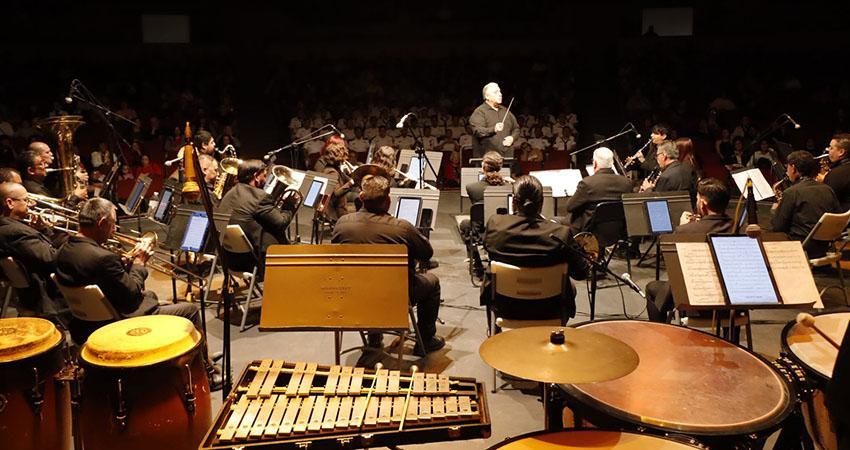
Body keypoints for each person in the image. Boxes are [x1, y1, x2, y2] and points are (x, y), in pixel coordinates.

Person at [55, 198, 202, 342]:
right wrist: (139, 263)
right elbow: (132, 293)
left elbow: (100, 275)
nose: (114, 230)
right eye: (112, 224)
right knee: (190, 310)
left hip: (85, 321)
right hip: (118, 319)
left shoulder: (63, 249)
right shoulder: (104, 258)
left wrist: (123, 264)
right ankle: (201, 364)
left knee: (154, 297)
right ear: (101, 223)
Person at [331, 174, 444, 355]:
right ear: (388, 201)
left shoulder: (342, 224)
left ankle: (374, 338)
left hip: (352, 296)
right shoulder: (402, 228)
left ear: (361, 198)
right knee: (432, 282)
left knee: (369, 281)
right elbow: (427, 254)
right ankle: (426, 340)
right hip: (394, 297)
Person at [483, 176, 590, 320]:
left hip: (506, 308)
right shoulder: (560, 233)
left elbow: (488, 249)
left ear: (514, 202)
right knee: (571, 287)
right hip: (549, 309)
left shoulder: (495, 224)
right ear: (542, 202)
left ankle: (494, 333)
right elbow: (581, 273)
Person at [644, 178, 733, 322]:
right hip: (731, 300)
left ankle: (659, 334)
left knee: (652, 288)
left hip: (694, 297)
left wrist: (682, 228)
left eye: (698, 199)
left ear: (703, 204)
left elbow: (671, 264)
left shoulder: (685, 231)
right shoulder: (737, 228)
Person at [218, 159, 294, 277]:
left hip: (230, 258)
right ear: (256, 176)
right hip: (255, 262)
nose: (265, 179)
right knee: (280, 235)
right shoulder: (259, 197)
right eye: (264, 175)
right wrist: (289, 206)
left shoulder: (230, 192)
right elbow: (281, 222)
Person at [0, 182, 65, 314]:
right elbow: (51, 259)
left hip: (32, 295)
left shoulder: (10, 228)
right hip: (51, 295)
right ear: (10, 203)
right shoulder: (16, 232)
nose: (32, 204)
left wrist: (41, 229)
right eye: (26, 200)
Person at [771, 151, 841, 258]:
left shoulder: (791, 192)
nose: (786, 172)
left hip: (803, 248)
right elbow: (838, 216)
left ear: (793, 168)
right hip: (826, 247)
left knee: (764, 235)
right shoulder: (827, 189)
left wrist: (776, 210)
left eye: (787, 167)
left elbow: (778, 227)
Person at [565, 147, 633, 235]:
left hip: (589, 232)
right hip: (618, 231)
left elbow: (569, 207)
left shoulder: (587, 183)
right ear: (612, 163)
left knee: (558, 221)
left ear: (595, 163)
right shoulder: (626, 183)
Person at [459, 152, 511, 242]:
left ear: (483, 166)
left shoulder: (471, 187)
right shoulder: (510, 188)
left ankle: (473, 253)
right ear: (500, 168)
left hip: (481, 231)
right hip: (504, 230)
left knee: (464, 224)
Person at [468, 82, 520, 159]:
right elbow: (477, 131)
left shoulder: (506, 111)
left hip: (507, 157)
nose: (500, 94)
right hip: (488, 159)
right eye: (496, 92)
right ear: (487, 96)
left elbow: (516, 128)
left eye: (500, 91)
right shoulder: (480, 112)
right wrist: (494, 129)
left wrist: (512, 138)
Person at [314, 135, 354, 223]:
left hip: (337, 205)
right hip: (335, 211)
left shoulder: (334, 168)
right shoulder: (332, 171)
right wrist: (351, 183)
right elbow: (336, 193)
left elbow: (346, 178)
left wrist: (352, 174)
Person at [822, 133, 850, 211]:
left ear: (841, 152)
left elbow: (826, 201)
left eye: (831, 148)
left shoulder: (836, 174)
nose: (828, 150)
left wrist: (823, 182)